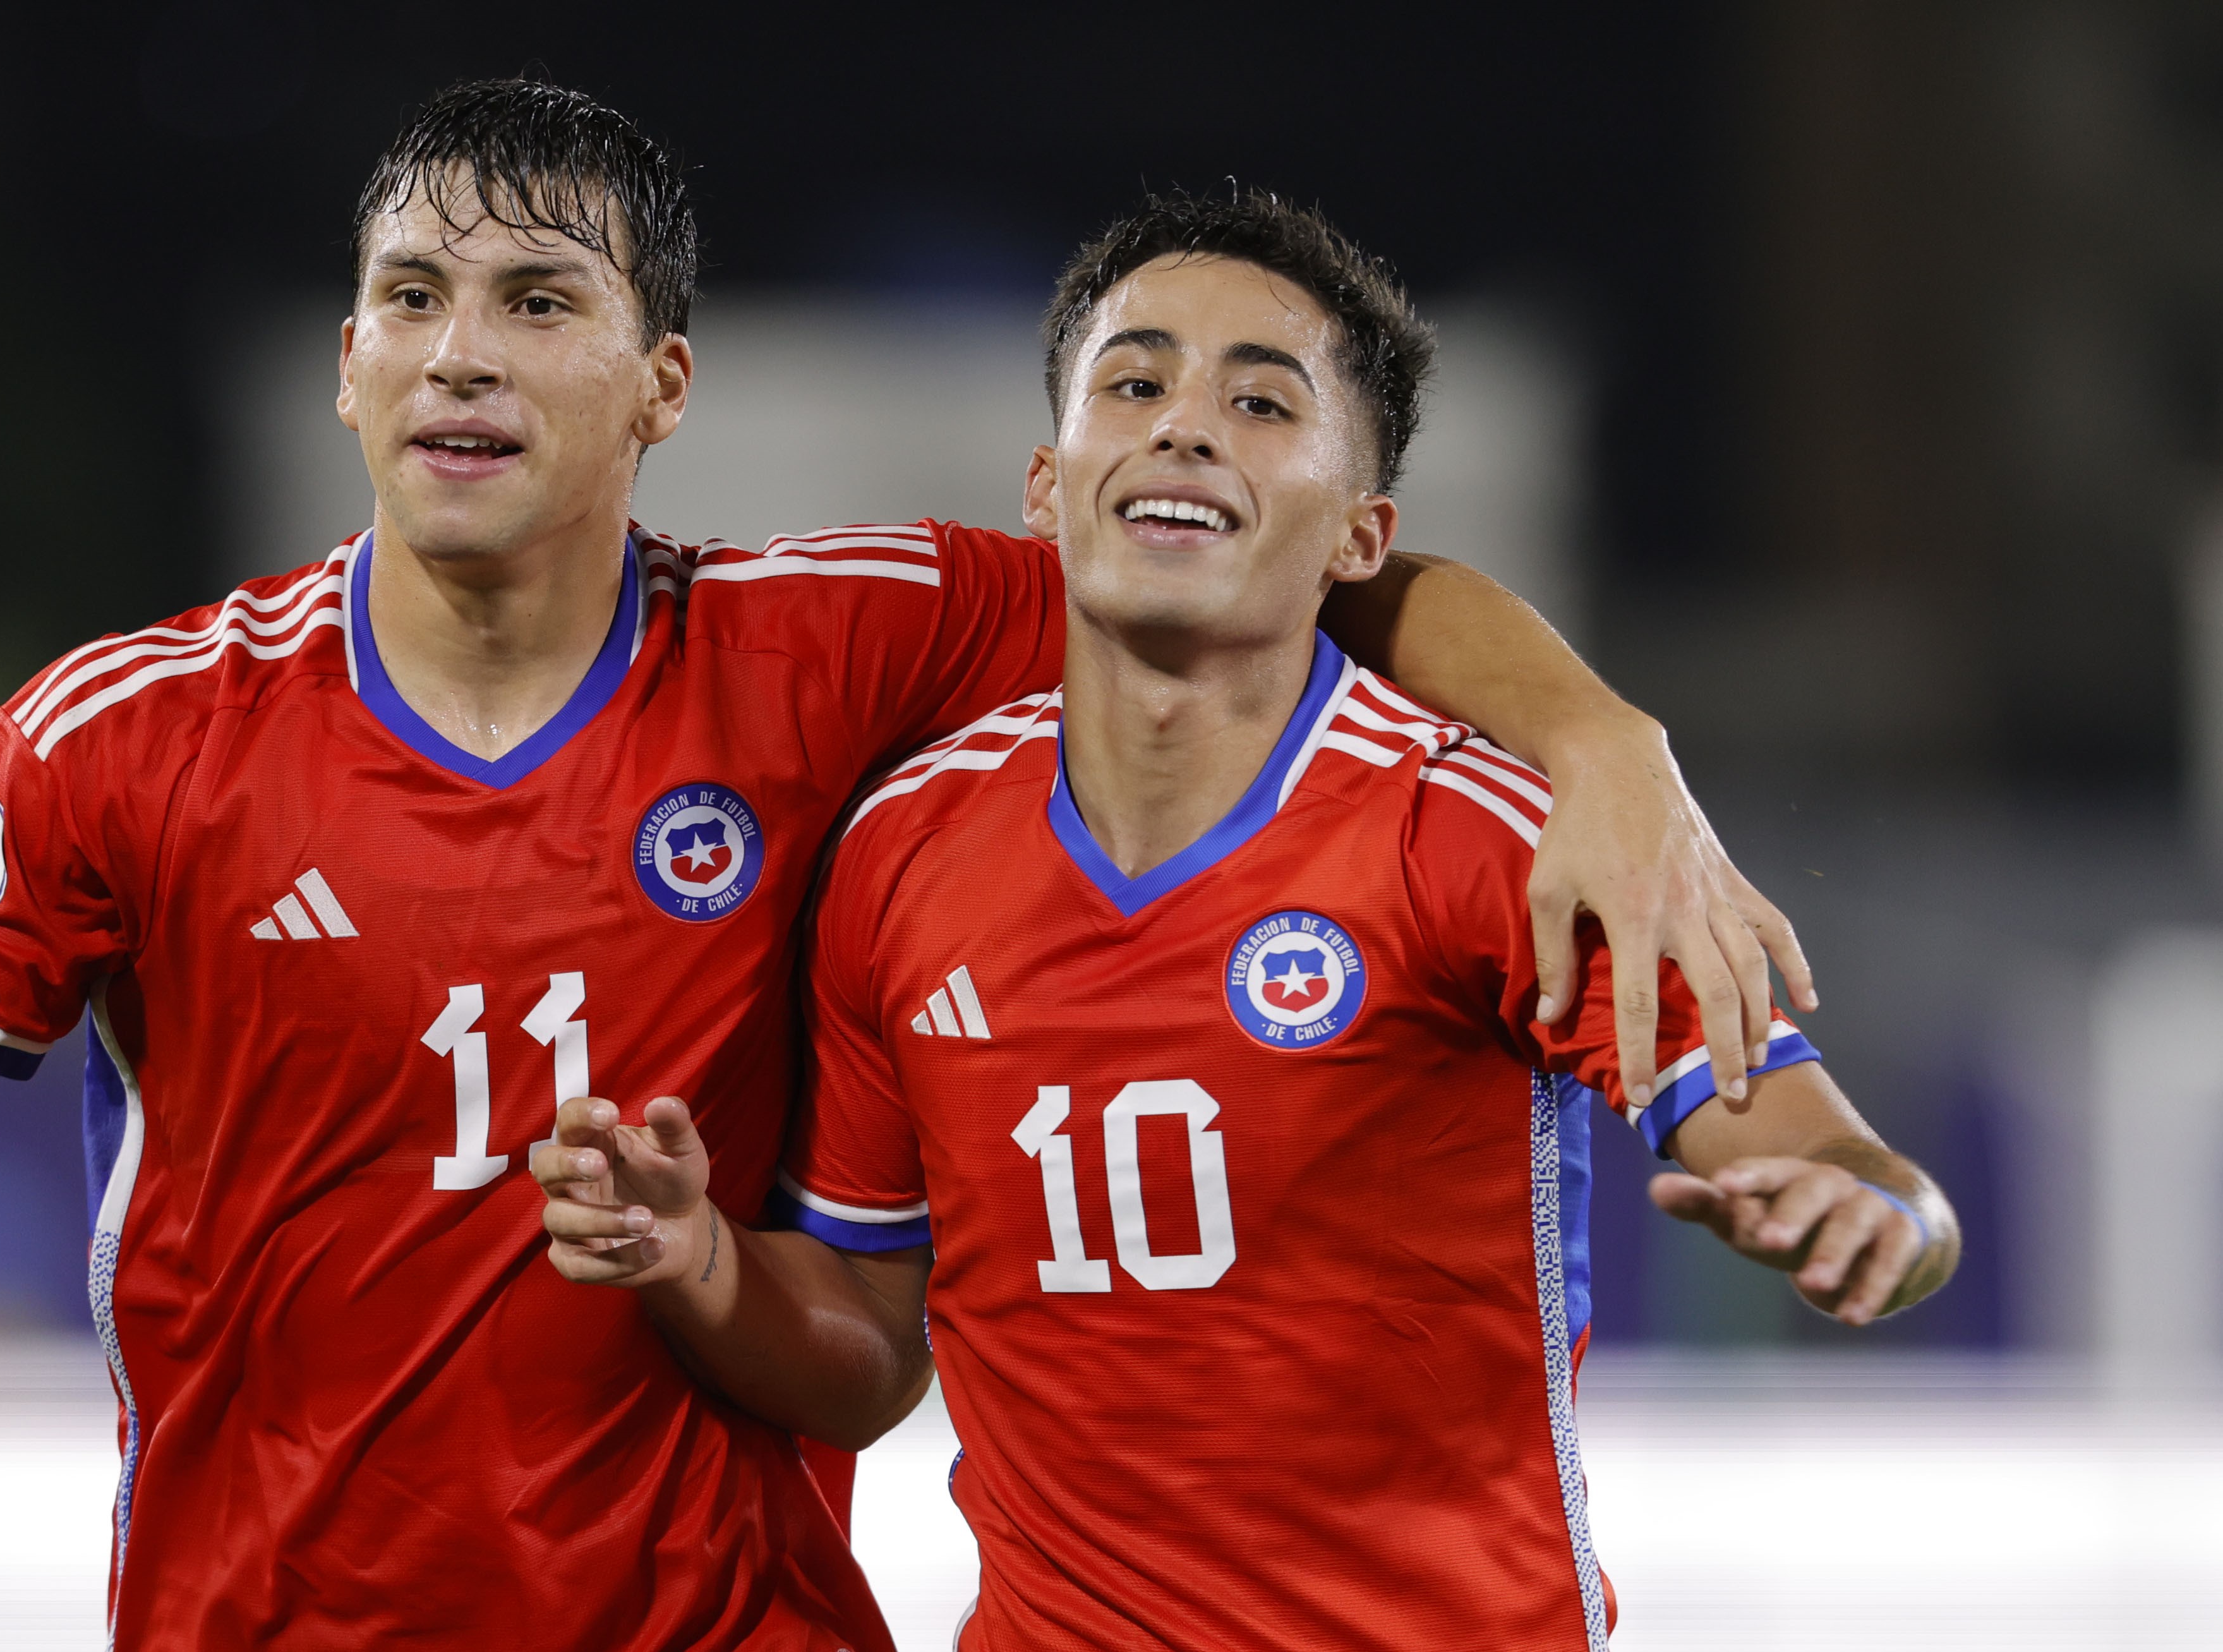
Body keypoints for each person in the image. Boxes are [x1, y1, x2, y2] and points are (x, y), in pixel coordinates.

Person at [0, 83, 1814, 1651]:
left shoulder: (840, 643)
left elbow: (1272, 571)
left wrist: (1599, 742)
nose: (461, 350)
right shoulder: (127, 735)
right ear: (341, 366)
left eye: (538, 302)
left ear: (660, 383)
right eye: (411, 295)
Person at [531, 189, 1959, 1651]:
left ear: (1361, 536)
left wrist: (1875, 1219)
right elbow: (863, 1344)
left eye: (1262, 401)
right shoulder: (903, 853)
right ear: (1045, 485)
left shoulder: (1480, 837)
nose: (1184, 425)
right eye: (1134, 382)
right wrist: (694, 1255)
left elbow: (1827, 1155)